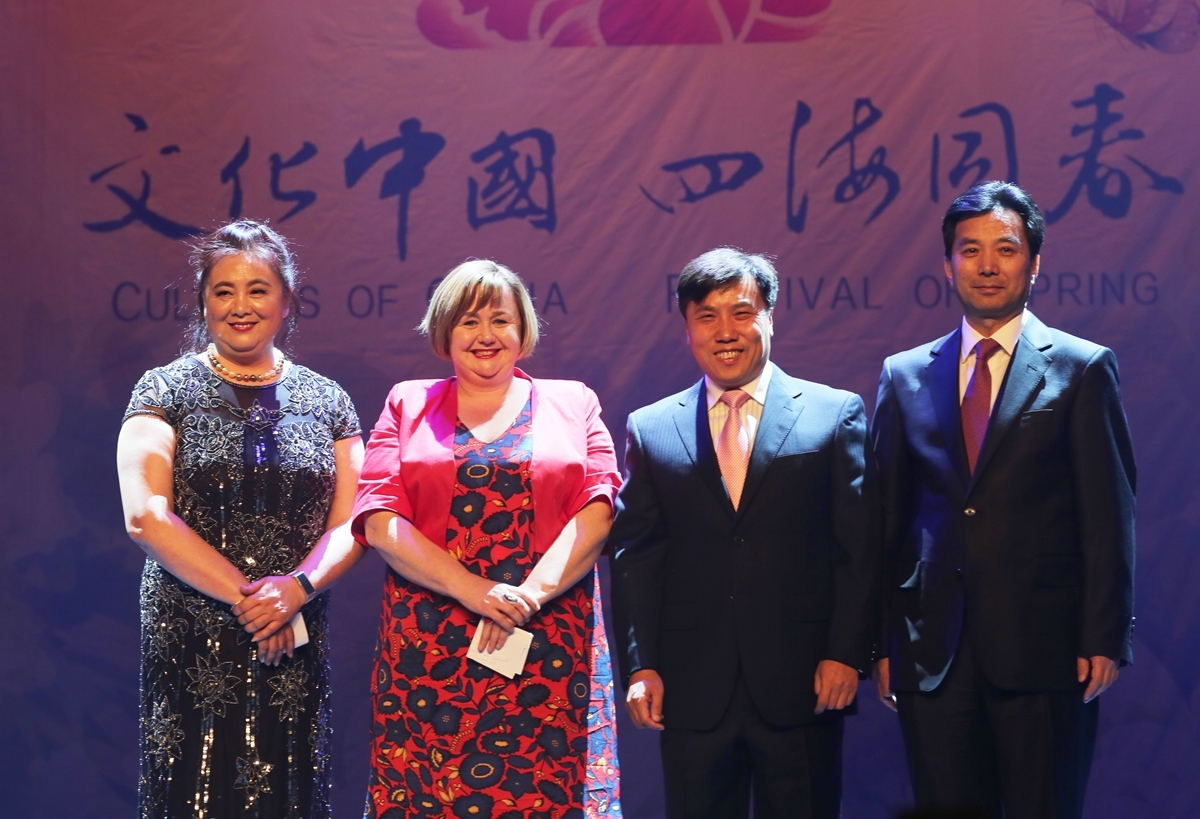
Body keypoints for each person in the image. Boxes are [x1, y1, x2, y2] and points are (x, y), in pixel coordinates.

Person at [871, 180, 1136, 818]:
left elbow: (1109, 514)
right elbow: (883, 520)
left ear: (1034, 262)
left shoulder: (1082, 367)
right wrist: (879, 643)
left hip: (1046, 648)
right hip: (932, 649)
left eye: (1006, 249)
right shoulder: (905, 374)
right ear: (948, 264)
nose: (987, 265)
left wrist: (1103, 632)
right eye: (970, 250)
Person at [608, 247, 876, 818]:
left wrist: (846, 654)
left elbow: (859, 549)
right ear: (688, 328)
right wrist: (641, 663)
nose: (725, 331)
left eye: (742, 312)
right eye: (707, 316)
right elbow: (636, 557)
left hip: (804, 681)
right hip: (691, 686)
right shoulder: (652, 428)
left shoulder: (834, 413)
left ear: (770, 317)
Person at [351, 259, 622, 818]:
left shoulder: (575, 402)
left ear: (523, 331)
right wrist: (473, 590)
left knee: (549, 794)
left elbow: (599, 507)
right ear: (444, 332)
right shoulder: (407, 402)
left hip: (550, 638)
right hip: (431, 647)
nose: (486, 336)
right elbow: (379, 517)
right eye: (469, 321)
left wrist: (529, 595)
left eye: (501, 320)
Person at [117, 219, 364, 818]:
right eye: (223, 291)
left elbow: (354, 521)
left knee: (289, 790)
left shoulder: (327, 401)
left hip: (296, 634)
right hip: (192, 633)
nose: (240, 306)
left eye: (257, 289)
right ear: (203, 303)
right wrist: (256, 601)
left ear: (287, 303)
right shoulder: (164, 390)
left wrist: (295, 591)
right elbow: (146, 516)